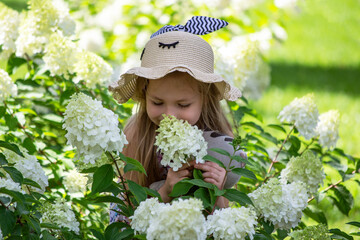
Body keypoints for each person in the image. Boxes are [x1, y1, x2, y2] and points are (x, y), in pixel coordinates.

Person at [108, 16, 246, 223]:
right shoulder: (136, 136)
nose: (169, 115)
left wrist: (216, 191)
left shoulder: (218, 143)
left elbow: (223, 224)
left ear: (205, 98)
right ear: (145, 92)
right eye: (157, 102)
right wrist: (165, 192)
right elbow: (122, 218)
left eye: (183, 105)